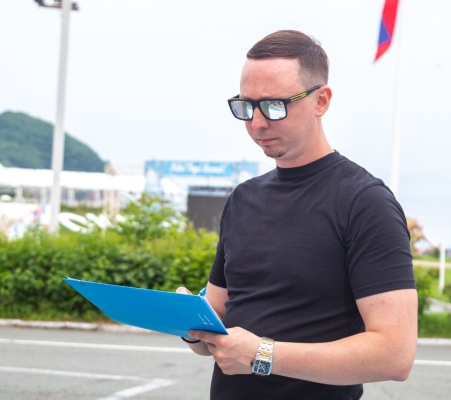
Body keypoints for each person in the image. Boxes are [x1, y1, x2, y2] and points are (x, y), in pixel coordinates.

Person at [177, 29, 417, 400]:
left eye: (275, 105)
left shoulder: (365, 202)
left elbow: (394, 356)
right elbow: (220, 323)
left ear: (321, 101)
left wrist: (262, 355)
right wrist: (190, 323)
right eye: (246, 107)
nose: (258, 123)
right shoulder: (243, 199)